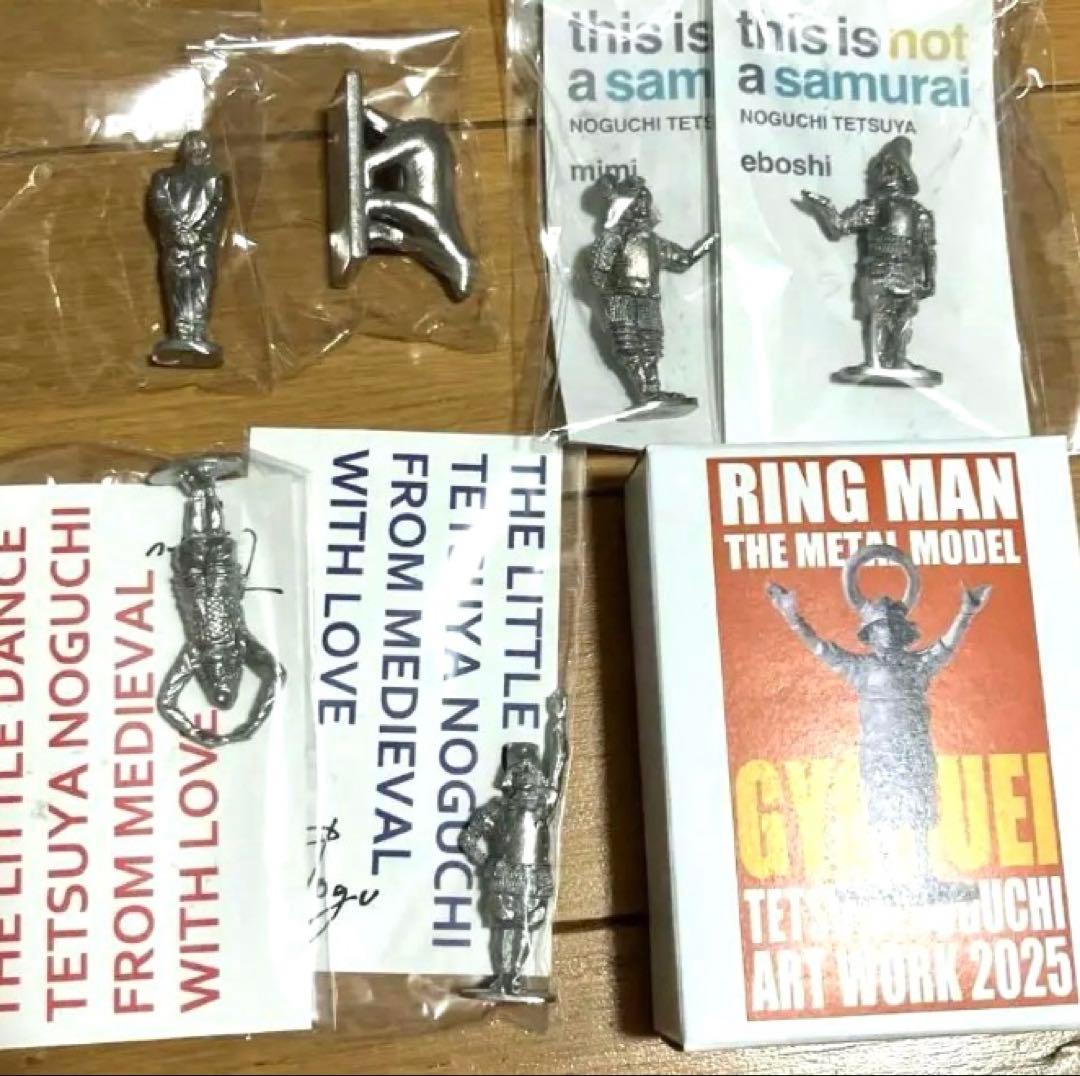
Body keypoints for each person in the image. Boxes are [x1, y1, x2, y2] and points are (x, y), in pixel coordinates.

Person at [767, 544, 990, 898]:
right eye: (881, 627)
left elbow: (946, 646)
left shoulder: (919, 665)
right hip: (879, 753)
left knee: (920, 814)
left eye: (892, 627)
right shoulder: (861, 668)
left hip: (914, 750)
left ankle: (924, 876)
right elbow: (821, 648)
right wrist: (792, 616)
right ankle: (884, 879)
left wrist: (966, 611)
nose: (887, 632)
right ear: (870, 634)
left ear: (903, 632)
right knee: (881, 816)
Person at [148, 131, 228, 368]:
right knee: (185, 284)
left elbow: (216, 207)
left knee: (191, 284)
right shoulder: (166, 177)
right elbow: (160, 202)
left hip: (192, 242)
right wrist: (186, 231)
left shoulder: (216, 178)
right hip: (187, 243)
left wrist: (185, 231)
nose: (198, 153)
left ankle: (192, 335)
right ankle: (186, 335)